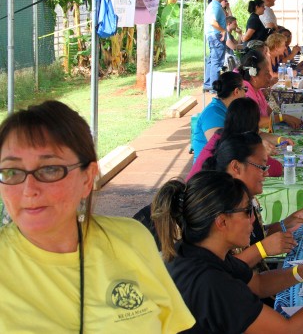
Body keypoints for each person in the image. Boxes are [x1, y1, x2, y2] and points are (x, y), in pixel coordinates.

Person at [0, 100, 194, 332]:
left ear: (87, 177)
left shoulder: (132, 239)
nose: (28, 189)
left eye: (49, 169)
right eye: (11, 172)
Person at [153, 170, 303, 334]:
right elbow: (288, 330)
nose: (253, 219)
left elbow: (259, 285)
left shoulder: (196, 251)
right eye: (247, 211)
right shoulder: (211, 282)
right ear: (221, 221)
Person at [201, 132, 303, 269]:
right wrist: (262, 249)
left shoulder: (247, 199)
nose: (267, 173)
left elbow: (253, 236)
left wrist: (285, 224)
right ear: (236, 167)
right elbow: (223, 270)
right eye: (261, 167)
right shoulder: (217, 206)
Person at [188, 97, 290, 180]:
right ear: (254, 123)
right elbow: (276, 169)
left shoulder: (219, 136)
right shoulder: (242, 144)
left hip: (193, 192)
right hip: (203, 199)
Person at [238, 49, 303, 129]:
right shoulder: (245, 92)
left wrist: (286, 117)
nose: (270, 76)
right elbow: (255, 122)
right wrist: (283, 117)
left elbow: (269, 112)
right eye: (266, 73)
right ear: (253, 75)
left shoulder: (256, 89)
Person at [192, 71, 246, 159]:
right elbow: (221, 147)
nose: (245, 94)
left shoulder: (230, 109)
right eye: (245, 89)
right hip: (208, 169)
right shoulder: (213, 114)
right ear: (236, 91)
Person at [204, 0, 227, 90]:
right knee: (216, 62)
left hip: (212, 35)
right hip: (216, 36)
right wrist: (223, 30)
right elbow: (213, 22)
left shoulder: (213, 5)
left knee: (212, 60)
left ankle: (209, 84)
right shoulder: (216, 7)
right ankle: (214, 87)